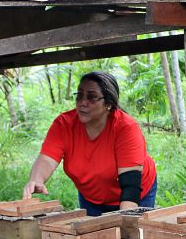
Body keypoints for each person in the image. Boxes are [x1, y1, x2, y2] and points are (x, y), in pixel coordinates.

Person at [22, 71, 157, 216]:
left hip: (136, 195)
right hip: (91, 198)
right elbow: (47, 159)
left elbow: (130, 188)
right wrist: (36, 180)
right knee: (93, 236)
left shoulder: (125, 128)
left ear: (108, 103)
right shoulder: (64, 124)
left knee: (131, 236)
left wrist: (125, 224)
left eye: (91, 97)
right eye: (79, 95)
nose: (82, 102)